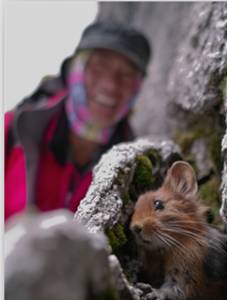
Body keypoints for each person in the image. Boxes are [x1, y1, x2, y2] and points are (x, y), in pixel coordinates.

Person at [5, 22, 151, 221]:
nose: (110, 85)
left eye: (126, 75)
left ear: (137, 87)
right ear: (76, 70)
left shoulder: (137, 172)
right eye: (99, 67)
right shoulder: (12, 130)